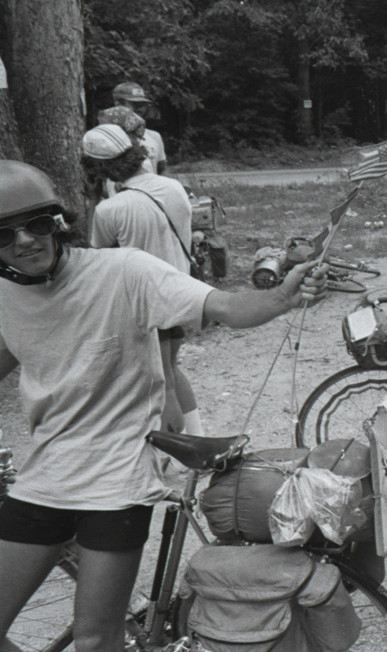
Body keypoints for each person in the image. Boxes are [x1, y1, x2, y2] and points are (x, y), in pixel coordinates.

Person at [0, 159, 327, 651]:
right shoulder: (6, 297)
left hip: (118, 476)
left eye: (38, 224)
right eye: (5, 235)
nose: (25, 241)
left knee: (95, 639)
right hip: (45, 475)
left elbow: (226, 307)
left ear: (59, 224)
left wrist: (283, 296)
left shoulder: (125, 271)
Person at [81, 124, 204, 436]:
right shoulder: (173, 188)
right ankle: (199, 439)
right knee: (171, 372)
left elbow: (98, 260)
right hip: (181, 294)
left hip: (143, 306)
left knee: (160, 386)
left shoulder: (111, 209)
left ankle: (178, 455)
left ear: (99, 168)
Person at [111, 82, 166, 175]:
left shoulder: (154, 136)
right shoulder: (107, 135)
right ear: (118, 104)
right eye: (135, 104)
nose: (140, 109)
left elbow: (162, 169)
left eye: (142, 105)